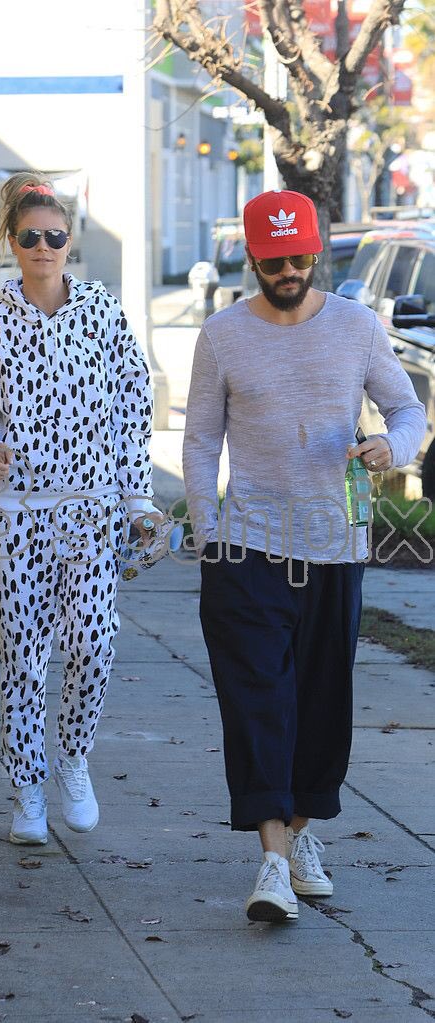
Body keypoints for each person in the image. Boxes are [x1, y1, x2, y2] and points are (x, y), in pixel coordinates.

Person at [183, 190, 426, 923]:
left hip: (333, 547)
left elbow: (408, 409)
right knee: (258, 704)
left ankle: (298, 837)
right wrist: (208, 531)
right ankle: (271, 861)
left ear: (314, 252)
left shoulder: (357, 326)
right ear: (252, 256)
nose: (286, 269)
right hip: (247, 548)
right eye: (272, 258)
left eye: (297, 257)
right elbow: (199, 440)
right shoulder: (223, 335)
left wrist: (392, 446)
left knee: (321, 708)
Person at [0, 171, 161, 845]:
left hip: (91, 512)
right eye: (31, 236)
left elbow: (133, 400)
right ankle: (27, 790)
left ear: (71, 241)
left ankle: (72, 756)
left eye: (56, 236)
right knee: (23, 660)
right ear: (12, 241)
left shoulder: (100, 310)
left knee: (94, 645)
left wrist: (137, 497)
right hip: (16, 514)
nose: (45, 246)